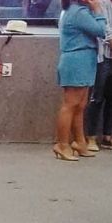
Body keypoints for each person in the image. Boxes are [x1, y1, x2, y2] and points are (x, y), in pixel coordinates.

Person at [54, 0, 106, 160]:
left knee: (80, 105)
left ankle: (80, 142)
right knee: (70, 104)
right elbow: (100, 30)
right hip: (77, 60)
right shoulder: (78, 12)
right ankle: (62, 145)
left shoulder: (77, 10)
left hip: (84, 59)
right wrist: (98, 10)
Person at [83, 0, 112, 152]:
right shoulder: (100, 2)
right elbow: (103, 29)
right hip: (102, 55)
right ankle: (91, 136)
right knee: (97, 97)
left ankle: (108, 135)